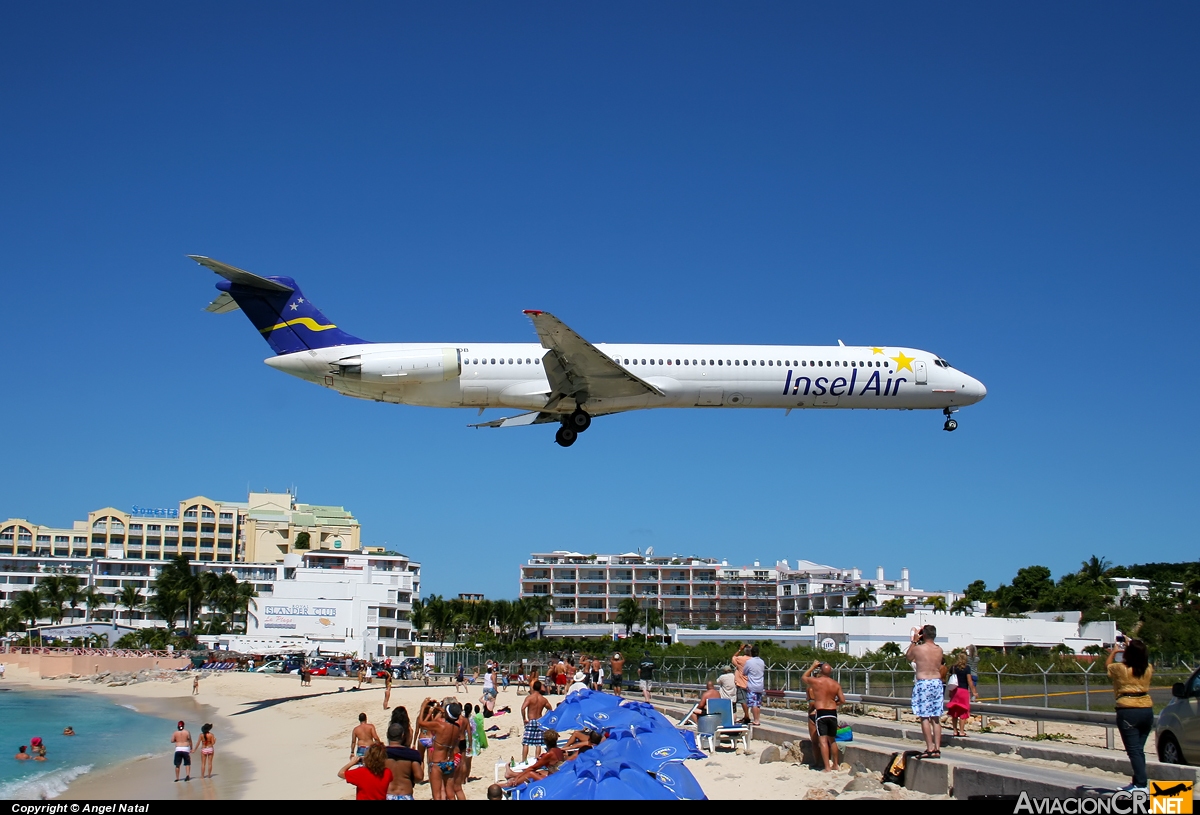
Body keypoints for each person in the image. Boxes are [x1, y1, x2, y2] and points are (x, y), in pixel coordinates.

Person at [1108, 637, 1154, 793]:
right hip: (1146, 708)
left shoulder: (1121, 668)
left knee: (1133, 750)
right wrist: (1133, 644)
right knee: (1138, 750)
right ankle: (1136, 782)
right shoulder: (1148, 668)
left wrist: (1114, 651)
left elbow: (1107, 666)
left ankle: (1141, 785)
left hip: (1128, 709)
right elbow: (1138, 657)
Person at [906, 624, 945, 758]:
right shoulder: (939, 650)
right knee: (936, 718)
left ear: (924, 635)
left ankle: (930, 747)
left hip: (924, 682)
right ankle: (937, 748)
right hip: (936, 682)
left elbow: (908, 657)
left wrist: (914, 640)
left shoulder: (918, 649)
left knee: (924, 717)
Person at [802, 661, 846, 771]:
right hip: (832, 712)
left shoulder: (817, 682)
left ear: (821, 671)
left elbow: (804, 677)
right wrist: (834, 703)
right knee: (832, 740)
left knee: (822, 741)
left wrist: (812, 666)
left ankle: (827, 767)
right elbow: (842, 700)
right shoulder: (835, 684)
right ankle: (835, 764)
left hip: (821, 712)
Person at [499, 729, 563, 787]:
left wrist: (517, 778)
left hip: (552, 781)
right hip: (557, 776)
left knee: (530, 773)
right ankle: (512, 774)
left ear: (545, 741)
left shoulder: (549, 754)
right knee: (540, 772)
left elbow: (532, 768)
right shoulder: (558, 750)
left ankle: (508, 784)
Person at [384, 721, 424, 800]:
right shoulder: (411, 755)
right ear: (403, 735)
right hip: (405, 794)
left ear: (387, 735)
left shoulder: (381, 754)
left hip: (387, 794)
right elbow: (419, 777)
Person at [520, 680, 554, 763]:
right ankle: (537, 759)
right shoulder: (543, 699)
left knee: (526, 742)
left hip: (531, 720)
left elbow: (523, 708)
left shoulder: (529, 698)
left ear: (533, 687)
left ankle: (524, 760)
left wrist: (524, 718)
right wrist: (545, 717)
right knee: (538, 743)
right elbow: (550, 709)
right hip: (540, 721)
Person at [946, 652, 977, 737]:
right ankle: (962, 731)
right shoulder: (967, 668)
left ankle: (955, 730)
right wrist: (974, 691)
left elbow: (950, 681)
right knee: (963, 711)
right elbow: (969, 681)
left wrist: (950, 691)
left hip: (955, 691)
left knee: (954, 711)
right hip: (963, 691)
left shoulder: (953, 668)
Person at [743, 645, 766, 726]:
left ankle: (756, 720)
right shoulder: (762, 661)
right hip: (760, 685)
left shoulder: (749, 662)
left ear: (751, 653)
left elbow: (744, 672)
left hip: (752, 685)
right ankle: (757, 719)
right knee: (758, 704)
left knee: (753, 704)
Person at [731, 644, 752, 723]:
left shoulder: (741, 659)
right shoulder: (753, 660)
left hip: (741, 682)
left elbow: (733, 658)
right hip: (750, 682)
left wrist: (740, 649)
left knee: (743, 701)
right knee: (748, 700)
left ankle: (747, 716)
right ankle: (746, 715)